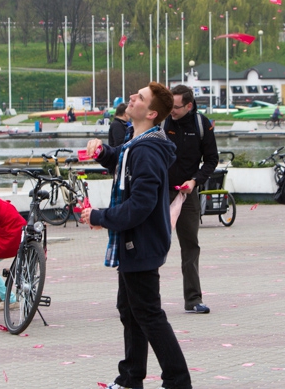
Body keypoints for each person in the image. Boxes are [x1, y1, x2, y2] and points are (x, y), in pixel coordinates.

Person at [80, 82, 192, 389]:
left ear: (152, 112)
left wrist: (100, 216)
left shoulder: (147, 150)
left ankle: (178, 381)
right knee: (132, 313)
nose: (132, 98)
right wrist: (103, 152)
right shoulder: (137, 142)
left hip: (140, 244)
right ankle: (131, 378)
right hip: (134, 245)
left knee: (149, 316)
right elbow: (121, 159)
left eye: (139, 97)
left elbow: (140, 204)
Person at [163, 84, 219, 314]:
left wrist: (195, 181)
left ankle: (193, 299)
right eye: (169, 106)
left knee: (190, 246)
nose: (171, 111)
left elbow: (212, 159)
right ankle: (142, 299)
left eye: (176, 107)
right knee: (152, 244)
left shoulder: (201, 124)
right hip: (159, 191)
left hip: (187, 193)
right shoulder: (162, 122)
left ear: (189, 105)